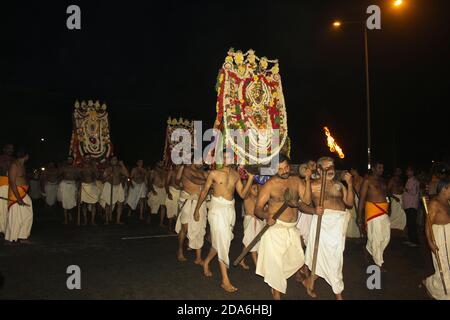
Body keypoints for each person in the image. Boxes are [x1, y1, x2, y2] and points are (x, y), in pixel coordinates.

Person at [254, 154, 313, 300]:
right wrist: (266, 216)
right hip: (275, 229)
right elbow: (258, 208)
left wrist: (306, 179)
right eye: (280, 169)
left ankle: (284, 282)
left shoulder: (295, 180)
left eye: (286, 167)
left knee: (297, 259)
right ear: (274, 169)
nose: (284, 171)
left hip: (292, 228)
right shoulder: (270, 185)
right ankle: (276, 291)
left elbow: (306, 200)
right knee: (276, 262)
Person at [193, 163, 254, 293]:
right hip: (217, 210)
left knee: (220, 242)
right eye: (225, 156)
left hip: (230, 210)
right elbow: (204, 191)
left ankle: (206, 262)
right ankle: (225, 281)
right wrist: (197, 209)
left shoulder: (235, 174)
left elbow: (242, 195)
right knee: (223, 243)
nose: (228, 159)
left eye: (230, 157)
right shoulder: (214, 173)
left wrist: (250, 178)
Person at [302, 157, 354, 300]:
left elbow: (349, 203)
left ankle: (309, 282)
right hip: (322, 223)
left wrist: (349, 184)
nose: (331, 170)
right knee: (331, 258)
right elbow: (304, 202)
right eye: (326, 168)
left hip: (338, 225)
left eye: (332, 166)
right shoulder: (312, 185)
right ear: (318, 170)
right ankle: (338, 293)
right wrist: (313, 211)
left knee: (332, 257)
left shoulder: (338, 185)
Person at [358, 162, 391, 269]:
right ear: (373, 169)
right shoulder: (367, 181)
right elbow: (362, 199)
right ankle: (379, 263)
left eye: (382, 168)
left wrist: (388, 208)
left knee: (386, 237)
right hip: (373, 211)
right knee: (377, 237)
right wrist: (359, 216)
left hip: (384, 211)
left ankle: (368, 248)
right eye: (379, 168)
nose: (381, 170)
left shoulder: (382, 181)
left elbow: (386, 196)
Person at [175, 163, 208, 264]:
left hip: (200, 202)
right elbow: (195, 180)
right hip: (188, 200)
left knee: (200, 229)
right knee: (185, 228)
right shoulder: (186, 170)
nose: (201, 163)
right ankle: (180, 250)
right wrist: (210, 180)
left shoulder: (202, 172)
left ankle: (198, 258)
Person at [423, 179, 450, 300]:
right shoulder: (435, 203)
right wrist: (430, 242)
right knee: (443, 265)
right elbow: (428, 223)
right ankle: (437, 289)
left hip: (448, 236)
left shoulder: (447, 202)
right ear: (444, 188)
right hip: (440, 237)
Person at [5, 149, 33, 244]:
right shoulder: (14, 165)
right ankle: (11, 238)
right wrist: (18, 198)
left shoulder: (22, 165)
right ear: (26, 155)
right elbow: (12, 182)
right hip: (16, 194)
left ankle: (22, 236)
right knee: (15, 216)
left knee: (27, 214)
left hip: (23, 192)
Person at [239, 183, 264, 270]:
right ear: (249, 189)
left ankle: (241, 260)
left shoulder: (259, 199)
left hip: (257, 222)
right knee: (252, 242)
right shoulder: (247, 198)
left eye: (257, 189)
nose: (256, 190)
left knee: (249, 242)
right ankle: (257, 266)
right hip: (250, 222)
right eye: (254, 188)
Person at [100, 156, 129, 225]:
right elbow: (102, 180)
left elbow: (127, 175)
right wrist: (108, 176)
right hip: (109, 186)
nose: (114, 161)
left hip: (118, 186)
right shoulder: (107, 169)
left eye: (116, 160)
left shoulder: (120, 168)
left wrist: (122, 165)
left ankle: (118, 220)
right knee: (108, 204)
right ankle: (107, 220)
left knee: (120, 203)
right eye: (113, 160)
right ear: (110, 161)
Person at [58, 156, 79, 225]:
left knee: (72, 202)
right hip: (64, 185)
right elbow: (58, 175)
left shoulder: (75, 168)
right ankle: (66, 219)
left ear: (73, 160)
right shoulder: (63, 168)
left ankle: (70, 214)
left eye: (71, 159)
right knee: (65, 202)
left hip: (72, 185)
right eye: (68, 159)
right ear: (67, 160)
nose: (69, 160)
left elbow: (78, 177)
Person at [403, 166, 420, 246]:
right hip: (410, 205)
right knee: (410, 223)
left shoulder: (413, 181)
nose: (406, 172)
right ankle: (411, 240)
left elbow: (412, 192)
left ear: (412, 172)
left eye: (408, 171)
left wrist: (404, 189)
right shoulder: (411, 180)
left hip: (411, 205)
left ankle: (414, 241)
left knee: (412, 224)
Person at [147, 161, 167, 226]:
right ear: (157, 163)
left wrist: (167, 191)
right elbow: (150, 182)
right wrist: (153, 191)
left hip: (163, 190)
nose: (162, 163)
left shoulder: (164, 172)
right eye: (160, 162)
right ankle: (149, 217)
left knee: (163, 206)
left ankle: (161, 222)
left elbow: (166, 183)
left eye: (162, 162)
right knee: (152, 205)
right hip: (155, 188)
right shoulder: (153, 172)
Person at [0, 144, 14, 235]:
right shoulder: (0, 158)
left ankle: (9, 227)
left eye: (12, 149)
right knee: (2, 207)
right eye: (8, 148)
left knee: (11, 206)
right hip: (2, 183)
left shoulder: (14, 160)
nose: (10, 150)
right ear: (4, 149)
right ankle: (2, 228)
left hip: (12, 184)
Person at [346, 168, 363, 238]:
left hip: (357, 199)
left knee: (357, 215)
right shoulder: (351, 179)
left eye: (351, 170)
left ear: (354, 170)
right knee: (350, 216)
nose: (350, 172)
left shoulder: (361, 179)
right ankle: (350, 233)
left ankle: (358, 233)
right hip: (351, 199)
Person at [165, 164, 181, 233]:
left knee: (178, 211)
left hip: (180, 193)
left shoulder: (182, 172)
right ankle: (169, 227)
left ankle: (177, 228)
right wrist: (168, 193)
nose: (178, 165)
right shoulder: (171, 172)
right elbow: (166, 184)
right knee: (171, 211)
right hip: (172, 191)